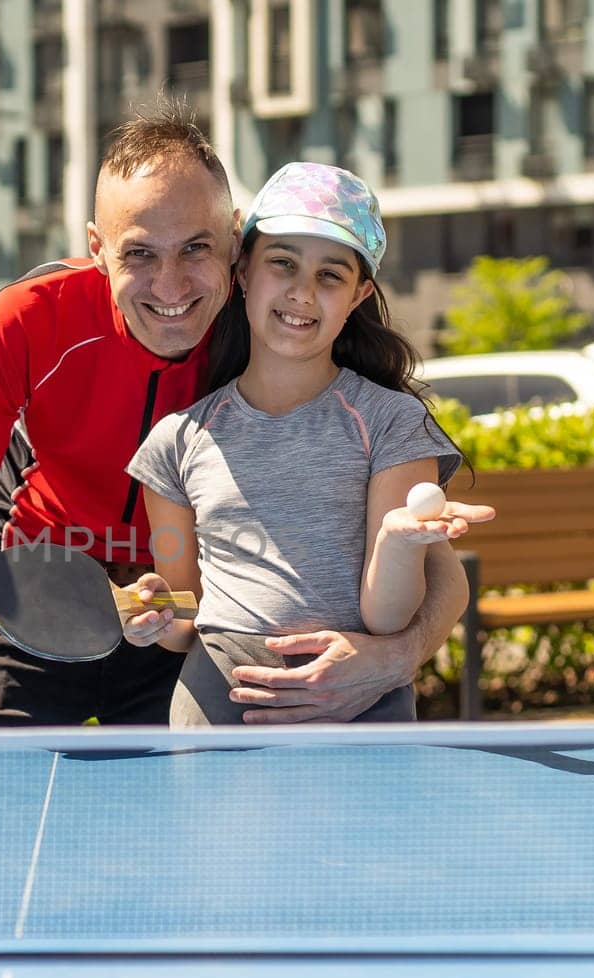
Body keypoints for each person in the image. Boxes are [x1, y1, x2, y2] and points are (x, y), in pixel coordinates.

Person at [0, 100, 480, 727]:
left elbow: (434, 567)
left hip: (185, 620)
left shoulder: (277, 331)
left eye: (196, 248)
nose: (171, 287)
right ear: (97, 247)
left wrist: (393, 658)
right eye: (139, 253)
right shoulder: (25, 321)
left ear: (234, 244)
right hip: (35, 583)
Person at [120, 163, 487, 725]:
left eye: (330, 276)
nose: (301, 292)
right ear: (243, 270)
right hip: (217, 707)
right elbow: (183, 617)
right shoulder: (175, 442)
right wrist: (149, 611)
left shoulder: (392, 423)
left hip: (359, 702)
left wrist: (397, 540)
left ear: (360, 294)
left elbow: (388, 620)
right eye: (283, 263)